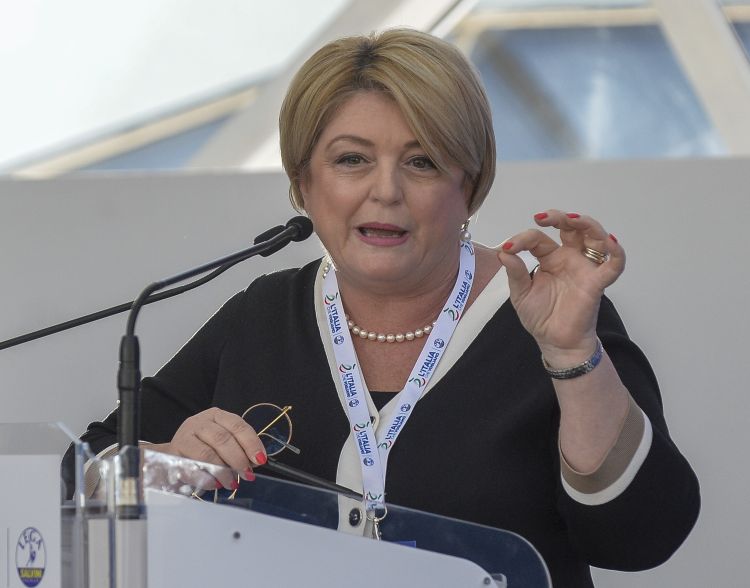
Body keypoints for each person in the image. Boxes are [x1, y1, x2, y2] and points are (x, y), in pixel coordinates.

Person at [68, 28, 699, 586]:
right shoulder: (264, 315)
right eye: (352, 160)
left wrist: (571, 355)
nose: (386, 190)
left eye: (422, 162)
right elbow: (84, 473)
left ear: (469, 185)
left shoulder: (549, 319)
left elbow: (641, 539)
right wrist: (170, 466)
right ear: (304, 181)